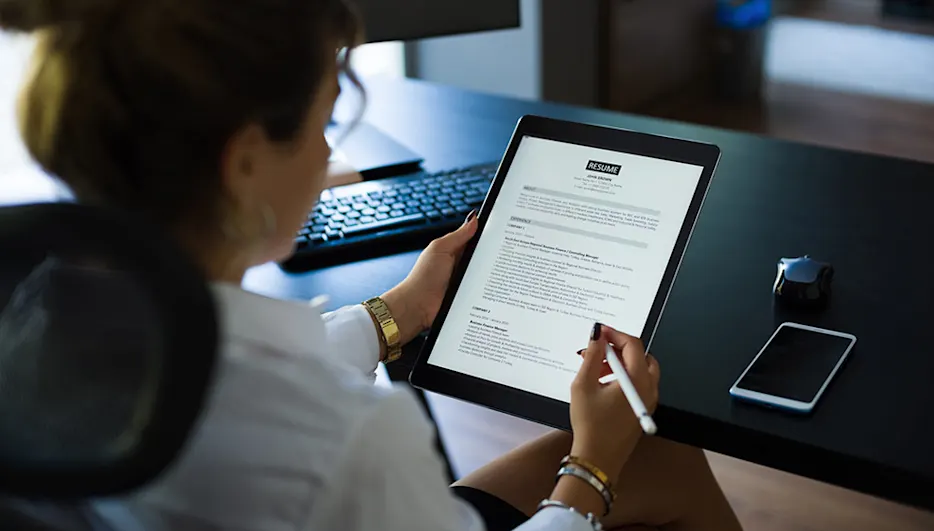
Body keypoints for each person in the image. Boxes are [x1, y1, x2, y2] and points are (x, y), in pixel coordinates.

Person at [0, 0, 743, 529]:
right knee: (648, 453)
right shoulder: (345, 439)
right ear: (245, 161)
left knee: (667, 457)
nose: (329, 151)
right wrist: (592, 465)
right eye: (322, 121)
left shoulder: (33, 316)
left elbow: (231, 377)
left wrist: (396, 313)